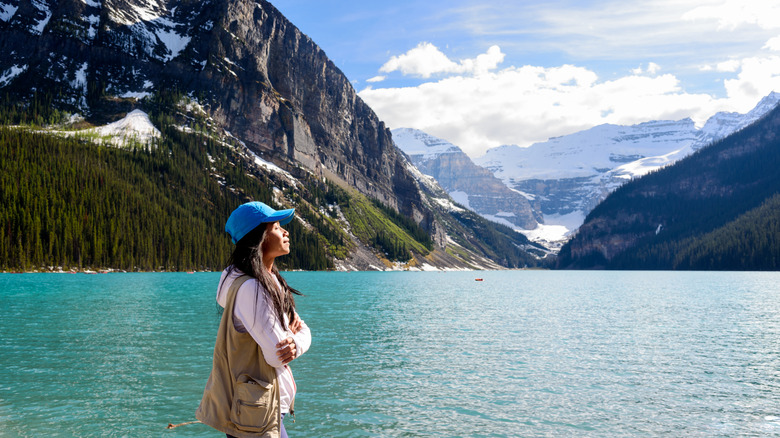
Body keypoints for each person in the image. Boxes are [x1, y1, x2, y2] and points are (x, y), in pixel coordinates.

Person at [197, 201, 311, 438]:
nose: (286, 231)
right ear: (259, 236)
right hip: (257, 417)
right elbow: (277, 353)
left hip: (256, 412)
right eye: (277, 226)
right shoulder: (252, 289)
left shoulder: (264, 281)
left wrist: (296, 338)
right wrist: (296, 338)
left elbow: (302, 330)